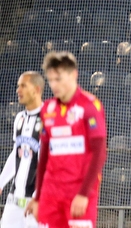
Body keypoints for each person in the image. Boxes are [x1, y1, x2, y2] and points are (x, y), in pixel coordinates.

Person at [26, 52, 107, 228]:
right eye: (51, 80)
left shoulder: (90, 105)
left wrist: (84, 194)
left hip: (78, 192)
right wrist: (38, 197)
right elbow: (44, 156)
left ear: (73, 74)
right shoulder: (47, 108)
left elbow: (99, 153)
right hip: (51, 194)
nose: (54, 84)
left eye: (58, 79)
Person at [0, 73, 44, 228]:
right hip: (14, 199)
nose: (18, 90)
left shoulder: (49, 118)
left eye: (23, 86)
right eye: (18, 85)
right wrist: (1, 182)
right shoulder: (19, 118)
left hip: (37, 200)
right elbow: (16, 153)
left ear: (37, 90)